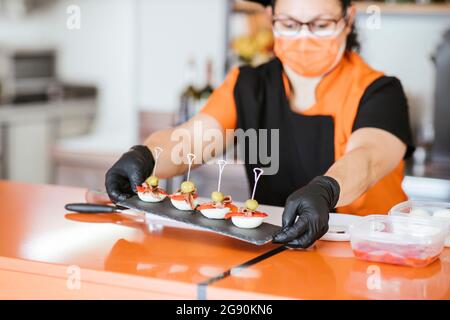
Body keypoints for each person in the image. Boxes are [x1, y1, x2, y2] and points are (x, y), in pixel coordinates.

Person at [105, 0, 414, 248]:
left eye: (320, 24)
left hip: (364, 251)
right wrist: (145, 157)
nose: (303, 37)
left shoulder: (380, 91)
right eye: (289, 24)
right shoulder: (249, 85)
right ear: (271, 17)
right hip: (276, 249)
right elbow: (194, 138)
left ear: (348, 18)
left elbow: (369, 157)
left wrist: (326, 191)